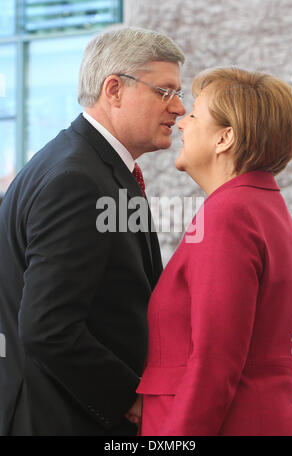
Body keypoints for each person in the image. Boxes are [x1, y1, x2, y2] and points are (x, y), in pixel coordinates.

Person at [0, 27, 186, 436]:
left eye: (179, 93)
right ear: (114, 89)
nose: (178, 109)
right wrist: (129, 398)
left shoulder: (85, 164)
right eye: (164, 92)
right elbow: (48, 327)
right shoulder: (76, 179)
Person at [137, 67, 292, 435]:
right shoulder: (264, 207)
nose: (181, 122)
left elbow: (214, 363)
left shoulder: (230, 215)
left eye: (194, 114)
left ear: (225, 138)